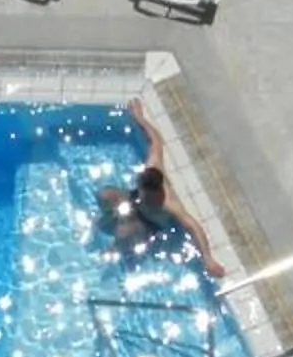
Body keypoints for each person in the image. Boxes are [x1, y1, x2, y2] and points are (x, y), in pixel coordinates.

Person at [94, 101, 226, 277]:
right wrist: (139, 117)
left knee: (123, 233)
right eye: (141, 190)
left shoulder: (169, 205)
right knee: (105, 195)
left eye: (146, 194)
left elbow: (194, 227)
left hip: (149, 222)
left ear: (157, 193)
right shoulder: (153, 166)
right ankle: (116, 224)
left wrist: (207, 258)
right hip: (135, 207)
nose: (142, 194)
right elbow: (156, 140)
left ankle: (120, 248)